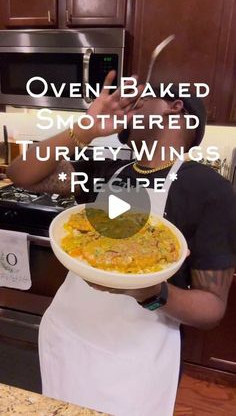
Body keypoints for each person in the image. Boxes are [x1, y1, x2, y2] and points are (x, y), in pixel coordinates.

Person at [7, 71, 236, 416]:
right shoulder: (107, 169)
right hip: (68, 336)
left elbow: (212, 307)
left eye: (139, 101)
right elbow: (20, 173)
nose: (127, 108)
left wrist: (148, 291)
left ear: (175, 107)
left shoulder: (210, 191)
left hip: (132, 359)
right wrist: (86, 128)